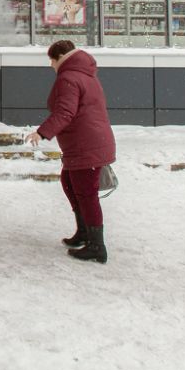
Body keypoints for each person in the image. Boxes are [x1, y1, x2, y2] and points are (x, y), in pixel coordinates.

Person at [27, 40, 116, 263]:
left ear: (60, 58)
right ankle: (84, 232)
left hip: (86, 143)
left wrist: (42, 133)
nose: (51, 65)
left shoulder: (69, 77)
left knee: (86, 193)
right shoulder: (85, 74)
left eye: (51, 60)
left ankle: (97, 246)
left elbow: (65, 112)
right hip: (87, 141)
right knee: (69, 182)